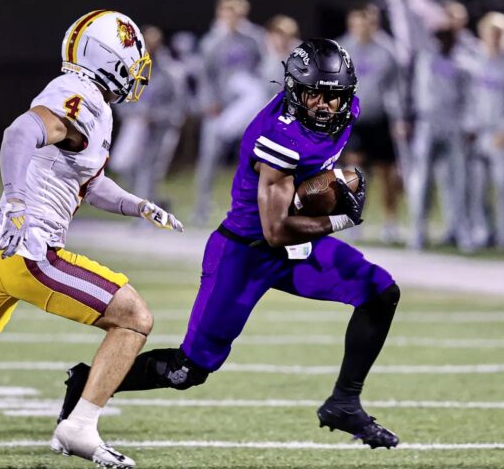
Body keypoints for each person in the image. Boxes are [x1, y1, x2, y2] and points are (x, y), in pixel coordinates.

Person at [56, 39, 401, 449]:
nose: (325, 105)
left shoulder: (348, 109)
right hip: (246, 251)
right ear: (294, 90)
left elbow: (320, 171)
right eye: (314, 94)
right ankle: (86, 383)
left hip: (296, 247)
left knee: (380, 292)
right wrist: (341, 217)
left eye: (333, 95)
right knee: (188, 370)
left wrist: (335, 184)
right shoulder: (279, 135)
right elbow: (275, 232)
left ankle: (344, 403)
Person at [0, 11, 183, 469]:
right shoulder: (79, 97)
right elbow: (19, 133)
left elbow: (89, 183)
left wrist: (137, 205)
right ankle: (80, 426)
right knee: (134, 317)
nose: (136, 73)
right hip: (30, 253)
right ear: (108, 59)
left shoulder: (92, 103)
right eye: (130, 62)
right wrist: (16, 199)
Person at [192, 0, 265, 225]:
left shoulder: (253, 38)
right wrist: (209, 102)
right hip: (220, 108)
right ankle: (202, 208)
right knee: (209, 158)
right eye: (228, 12)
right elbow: (204, 75)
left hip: (246, 109)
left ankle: (251, 210)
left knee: (254, 159)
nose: (232, 17)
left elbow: (262, 69)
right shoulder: (211, 41)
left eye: (237, 13)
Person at [339, 4, 408, 243]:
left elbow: (397, 87)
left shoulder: (387, 50)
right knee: (354, 169)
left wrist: (400, 119)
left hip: (381, 118)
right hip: (353, 119)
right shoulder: (341, 49)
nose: (362, 28)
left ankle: (390, 222)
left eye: (366, 23)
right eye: (357, 23)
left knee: (386, 172)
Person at [406, 20, 471, 251]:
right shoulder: (425, 59)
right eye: (439, 37)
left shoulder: (462, 63)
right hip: (427, 122)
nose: (443, 42)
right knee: (422, 179)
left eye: (448, 37)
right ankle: (418, 230)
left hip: (453, 123)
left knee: (457, 179)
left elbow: (467, 98)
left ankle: (458, 230)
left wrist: (467, 124)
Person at [110, 25, 188, 206]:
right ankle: (155, 202)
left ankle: (144, 211)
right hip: (135, 125)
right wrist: (133, 114)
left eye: (155, 42)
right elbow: (118, 98)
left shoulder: (171, 72)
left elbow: (178, 105)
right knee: (122, 165)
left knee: (150, 168)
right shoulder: (130, 69)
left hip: (160, 129)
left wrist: (155, 116)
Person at [465, 12, 504, 249]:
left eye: (498, 34)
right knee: (478, 187)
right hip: (479, 133)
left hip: (500, 135)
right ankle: (483, 231)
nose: (494, 38)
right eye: (490, 33)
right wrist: (469, 125)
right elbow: (468, 98)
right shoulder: (474, 62)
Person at [260, 15, 300, 98]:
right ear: (271, 33)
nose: (283, 40)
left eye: (289, 36)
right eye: (280, 34)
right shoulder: (258, 46)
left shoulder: (298, 52)